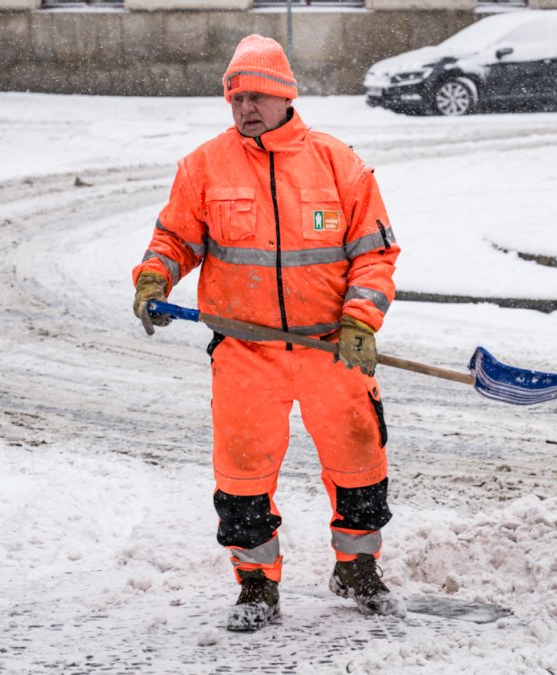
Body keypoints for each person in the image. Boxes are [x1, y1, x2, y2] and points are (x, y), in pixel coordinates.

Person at [131, 34, 404, 632]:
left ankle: (357, 569)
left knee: (360, 464)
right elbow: (176, 238)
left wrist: (361, 320)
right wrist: (155, 277)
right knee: (242, 476)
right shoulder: (204, 166)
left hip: (331, 347)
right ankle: (256, 584)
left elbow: (375, 256)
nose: (245, 108)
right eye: (236, 98)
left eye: (257, 96)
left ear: (286, 98)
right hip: (245, 350)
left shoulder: (338, 163)